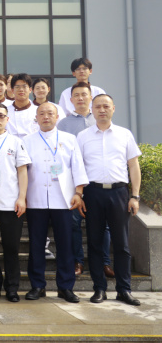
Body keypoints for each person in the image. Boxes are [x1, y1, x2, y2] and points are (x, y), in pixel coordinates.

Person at [77, 94, 142, 306]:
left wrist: (135, 196)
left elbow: (133, 166)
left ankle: (124, 289)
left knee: (122, 244)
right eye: (98, 107)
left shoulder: (124, 134)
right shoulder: (83, 136)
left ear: (113, 108)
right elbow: (77, 168)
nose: (102, 110)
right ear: (92, 109)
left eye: (106, 106)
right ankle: (99, 289)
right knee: (95, 243)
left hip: (119, 193)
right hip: (93, 193)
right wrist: (79, 195)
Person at [23, 103, 88, 303]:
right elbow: (22, 171)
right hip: (36, 199)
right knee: (36, 245)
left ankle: (65, 287)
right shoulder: (27, 141)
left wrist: (78, 193)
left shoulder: (69, 139)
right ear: (36, 118)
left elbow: (77, 166)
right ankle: (37, 286)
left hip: (63, 199)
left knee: (65, 245)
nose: (46, 117)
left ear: (57, 116)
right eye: (41, 113)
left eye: (50, 113)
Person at [58, 82, 113, 278]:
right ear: (70, 99)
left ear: (91, 97)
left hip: (98, 182)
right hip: (74, 184)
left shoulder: (100, 120)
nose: (80, 98)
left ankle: (104, 262)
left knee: (103, 225)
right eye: (76, 95)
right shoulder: (63, 124)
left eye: (84, 94)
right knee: (74, 223)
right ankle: (78, 261)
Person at [0, 103, 31, 302]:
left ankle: (12, 288)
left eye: (1, 116)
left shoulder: (16, 142)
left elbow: (22, 171)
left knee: (11, 248)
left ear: (7, 119)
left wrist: (22, 197)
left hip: (11, 203)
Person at [7, 73, 38, 138]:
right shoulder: (5, 112)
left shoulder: (38, 111)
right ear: (12, 90)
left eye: (24, 86)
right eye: (17, 87)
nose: (21, 90)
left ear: (30, 90)